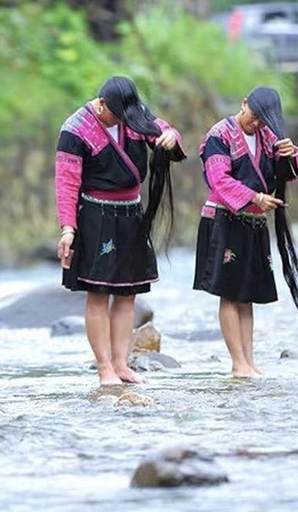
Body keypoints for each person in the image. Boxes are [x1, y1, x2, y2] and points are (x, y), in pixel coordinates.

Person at [55, 76, 185, 386]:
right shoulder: (75, 130)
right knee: (99, 294)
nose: (120, 120)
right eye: (114, 114)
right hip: (96, 215)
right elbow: (66, 182)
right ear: (100, 104)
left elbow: (166, 133)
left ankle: (121, 364)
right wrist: (67, 229)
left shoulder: (133, 115)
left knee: (128, 294)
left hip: (131, 213)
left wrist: (170, 137)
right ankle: (104, 369)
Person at [194, 86, 298, 377]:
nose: (256, 125)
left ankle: (248, 361)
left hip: (253, 222)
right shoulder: (219, 135)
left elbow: (287, 173)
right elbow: (219, 180)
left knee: (246, 294)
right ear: (243, 104)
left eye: (262, 121)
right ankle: (238, 362)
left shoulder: (269, 138)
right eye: (253, 117)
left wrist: (291, 155)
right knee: (229, 293)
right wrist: (255, 197)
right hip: (224, 219)